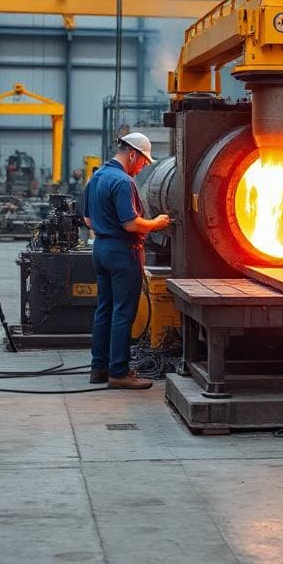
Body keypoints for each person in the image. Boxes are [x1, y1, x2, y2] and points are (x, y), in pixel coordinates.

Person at [82, 133, 171, 389]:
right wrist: (156, 223)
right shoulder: (123, 181)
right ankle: (119, 373)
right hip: (122, 252)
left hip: (101, 249)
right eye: (143, 161)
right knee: (123, 312)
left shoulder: (97, 177)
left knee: (105, 309)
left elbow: (88, 220)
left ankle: (99, 368)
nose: (142, 167)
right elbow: (131, 223)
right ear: (132, 155)